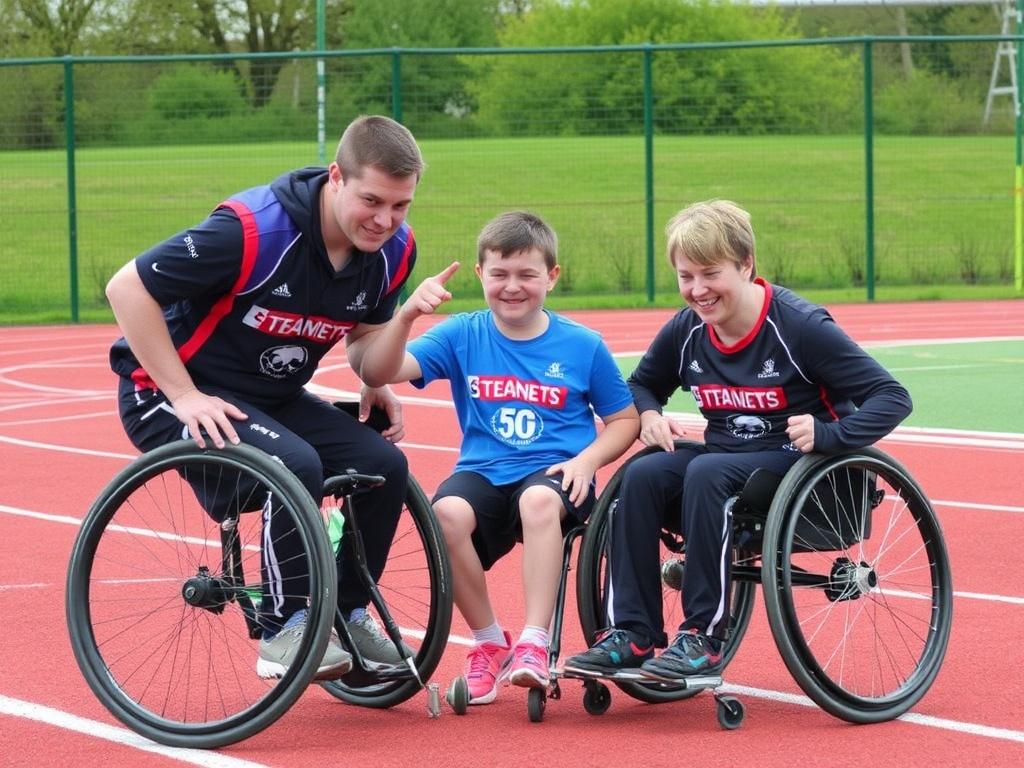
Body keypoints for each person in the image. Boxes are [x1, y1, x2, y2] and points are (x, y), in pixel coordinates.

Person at [106, 115, 426, 680]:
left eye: (400, 205)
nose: (385, 220)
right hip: (165, 391)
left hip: (269, 395)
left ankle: (348, 611)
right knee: (293, 463)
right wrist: (183, 394)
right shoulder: (253, 231)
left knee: (383, 464)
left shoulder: (395, 251)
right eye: (372, 201)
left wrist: (373, 378)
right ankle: (287, 628)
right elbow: (126, 287)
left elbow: (364, 334)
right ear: (337, 177)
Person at [563, 200, 912, 681]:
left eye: (711, 274)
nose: (697, 290)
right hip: (726, 462)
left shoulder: (799, 327)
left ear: (746, 265)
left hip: (804, 470)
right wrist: (650, 415)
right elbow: (641, 384)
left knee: (708, 471)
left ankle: (702, 639)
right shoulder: (687, 329)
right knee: (643, 474)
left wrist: (830, 434)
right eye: (686, 276)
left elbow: (892, 397)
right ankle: (632, 632)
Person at [359, 211, 640, 704]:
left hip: (556, 475)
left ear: (552, 276)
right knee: (445, 512)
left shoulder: (583, 345)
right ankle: (490, 642)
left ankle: (534, 641)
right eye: (500, 274)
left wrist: (589, 461)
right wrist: (406, 316)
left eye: (527, 274)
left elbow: (624, 420)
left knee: (536, 500)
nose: (512, 287)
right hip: (484, 472)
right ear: (479, 274)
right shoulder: (462, 333)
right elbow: (379, 371)